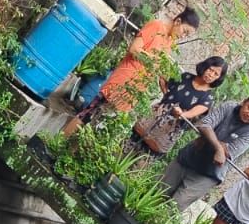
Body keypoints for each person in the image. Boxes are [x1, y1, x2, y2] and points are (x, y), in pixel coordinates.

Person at [62, 8, 200, 136]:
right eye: (185, 31)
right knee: (88, 115)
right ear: (178, 21)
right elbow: (134, 49)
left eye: (187, 35)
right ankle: (57, 144)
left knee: (96, 126)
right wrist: (152, 60)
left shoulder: (170, 43)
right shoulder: (156, 26)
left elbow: (159, 68)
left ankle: (65, 155)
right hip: (122, 81)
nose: (183, 36)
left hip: (134, 91)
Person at [160, 94, 249, 210]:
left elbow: (230, 151)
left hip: (209, 173)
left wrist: (208, 137)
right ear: (244, 101)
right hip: (188, 158)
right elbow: (204, 124)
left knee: (174, 205)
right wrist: (219, 148)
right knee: (158, 191)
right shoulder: (229, 107)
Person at [127, 56, 227, 156]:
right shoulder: (185, 77)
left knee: (141, 161)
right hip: (148, 121)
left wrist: (181, 114)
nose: (211, 75)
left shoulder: (208, 98)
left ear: (218, 78)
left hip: (166, 135)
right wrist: (166, 95)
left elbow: (192, 113)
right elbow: (164, 80)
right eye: (210, 70)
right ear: (205, 66)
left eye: (216, 74)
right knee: (124, 148)